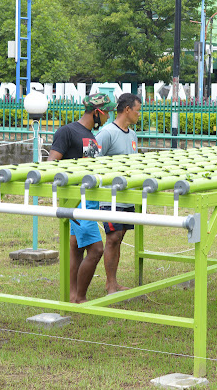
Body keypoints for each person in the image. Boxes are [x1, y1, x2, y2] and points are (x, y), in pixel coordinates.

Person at [48, 93, 114, 303]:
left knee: (76, 249)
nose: (107, 119)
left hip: (90, 201)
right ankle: (81, 297)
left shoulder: (91, 135)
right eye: (107, 114)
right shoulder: (67, 132)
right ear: (97, 112)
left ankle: (72, 295)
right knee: (96, 249)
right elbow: (51, 163)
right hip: (76, 201)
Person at [95, 93, 142, 294]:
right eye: (138, 110)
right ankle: (110, 284)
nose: (139, 114)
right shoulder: (106, 133)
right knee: (112, 237)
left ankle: (113, 282)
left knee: (120, 236)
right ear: (127, 110)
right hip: (110, 196)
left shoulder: (132, 135)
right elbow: (91, 159)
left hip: (127, 195)